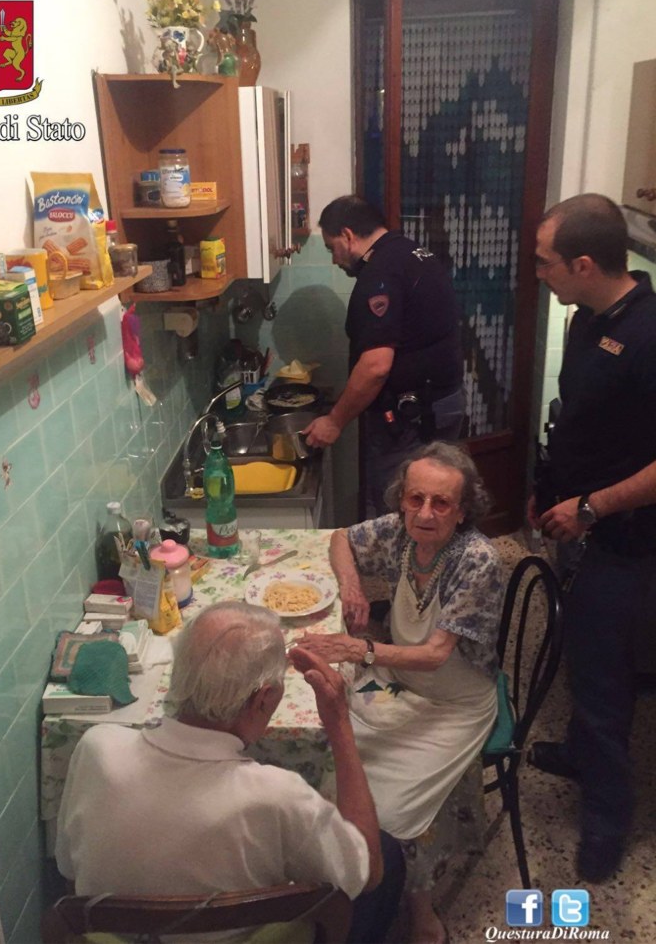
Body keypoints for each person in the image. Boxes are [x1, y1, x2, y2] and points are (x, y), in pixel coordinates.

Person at [56, 601, 405, 944]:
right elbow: (367, 873)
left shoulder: (95, 748)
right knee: (386, 853)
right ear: (263, 699)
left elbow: (69, 872)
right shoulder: (278, 795)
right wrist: (339, 723)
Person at [296, 441, 503, 944]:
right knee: (329, 745)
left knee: (394, 809)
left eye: (441, 503)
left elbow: (435, 654)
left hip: (455, 702)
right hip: (400, 681)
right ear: (402, 498)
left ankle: (419, 907)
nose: (425, 513)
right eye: (415, 499)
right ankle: (333, 878)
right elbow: (342, 538)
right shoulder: (399, 532)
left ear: (463, 510)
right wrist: (352, 586)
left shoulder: (476, 559)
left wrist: (360, 649)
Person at [527, 193, 656, 883]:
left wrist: (591, 506)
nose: (538, 271)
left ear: (583, 262)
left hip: (622, 539)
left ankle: (608, 819)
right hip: (572, 518)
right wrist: (547, 487)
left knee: (605, 678)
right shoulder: (584, 320)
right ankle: (578, 751)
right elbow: (576, 416)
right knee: (579, 648)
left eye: (545, 261)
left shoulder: (649, 336)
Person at [304, 195, 465, 517]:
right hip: (442, 402)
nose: (335, 260)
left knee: (401, 509)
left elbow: (376, 366)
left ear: (348, 236)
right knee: (436, 504)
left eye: (331, 248)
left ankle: (397, 567)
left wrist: (334, 421)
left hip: (412, 418)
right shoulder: (410, 252)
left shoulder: (380, 275)